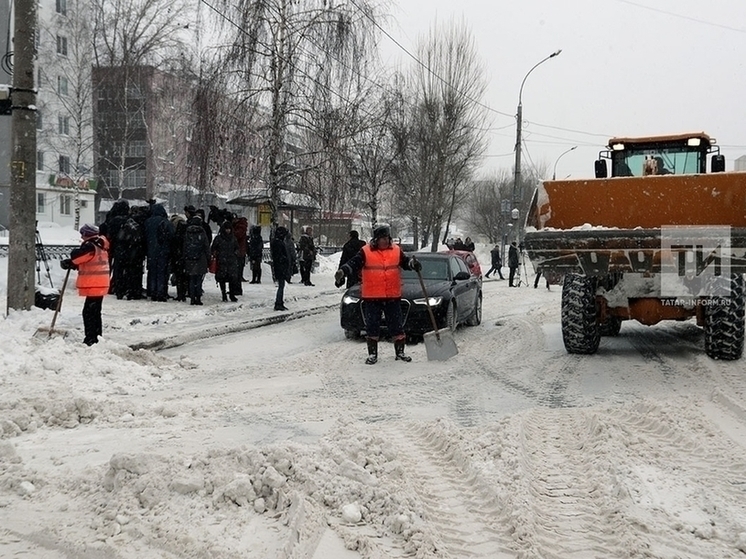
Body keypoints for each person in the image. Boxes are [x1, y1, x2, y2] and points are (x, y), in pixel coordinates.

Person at [334, 225, 420, 365]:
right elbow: (353, 263)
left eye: (386, 238)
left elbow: (405, 262)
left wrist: (413, 264)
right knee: (372, 326)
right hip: (372, 296)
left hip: (392, 295)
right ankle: (372, 354)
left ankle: (400, 352)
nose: (385, 241)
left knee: (397, 325)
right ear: (376, 240)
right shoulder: (366, 251)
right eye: (382, 239)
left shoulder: (396, 250)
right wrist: (343, 271)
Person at [61, 224, 110, 346]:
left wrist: (71, 260)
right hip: (100, 283)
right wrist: (73, 264)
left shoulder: (90, 246)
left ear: (86, 234)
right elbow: (87, 260)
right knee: (95, 312)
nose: (81, 237)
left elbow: (78, 257)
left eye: (82, 234)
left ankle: (91, 339)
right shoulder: (100, 245)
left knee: (89, 313)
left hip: (94, 283)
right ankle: (97, 337)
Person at [144, 204, 174, 302]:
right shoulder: (166, 222)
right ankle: (161, 292)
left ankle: (152, 291)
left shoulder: (148, 222)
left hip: (151, 251)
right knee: (162, 272)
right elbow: (172, 236)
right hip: (163, 251)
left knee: (152, 272)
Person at [183, 210, 210, 305]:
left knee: (191, 279)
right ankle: (198, 297)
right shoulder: (202, 232)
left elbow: (185, 246)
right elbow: (206, 246)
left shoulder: (188, 232)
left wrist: (185, 257)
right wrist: (208, 258)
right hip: (200, 259)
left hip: (190, 259)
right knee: (198, 279)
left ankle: (192, 297)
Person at [211, 220, 242, 302]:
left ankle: (231, 294)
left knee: (232, 279)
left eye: (229, 229)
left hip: (231, 261)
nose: (228, 231)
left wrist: (236, 253)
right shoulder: (219, 238)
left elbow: (237, 248)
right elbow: (213, 248)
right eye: (226, 229)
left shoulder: (233, 238)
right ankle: (224, 294)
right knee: (222, 279)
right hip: (222, 261)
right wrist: (216, 253)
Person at [270, 226, 291, 311]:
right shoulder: (279, 243)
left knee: (281, 285)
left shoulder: (276, 242)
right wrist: (284, 260)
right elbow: (279, 256)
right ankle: (278, 303)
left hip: (279, 267)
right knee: (281, 286)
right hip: (280, 267)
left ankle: (280, 302)